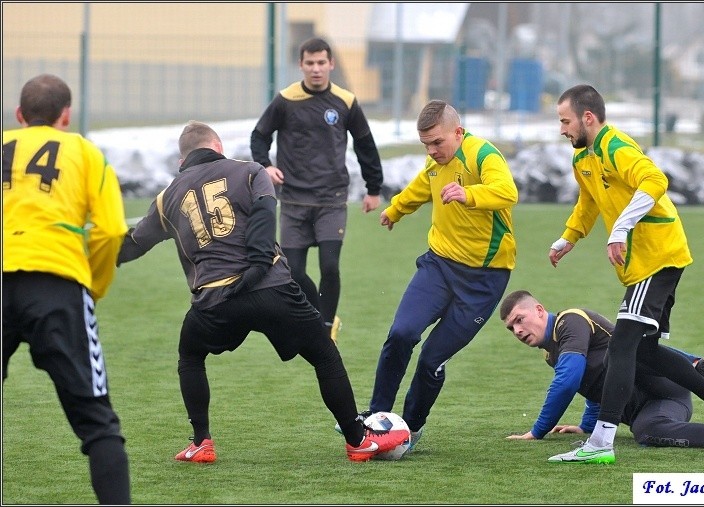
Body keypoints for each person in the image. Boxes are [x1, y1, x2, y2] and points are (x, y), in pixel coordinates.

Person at [116, 121, 406, 463]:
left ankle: (201, 443)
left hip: (214, 298)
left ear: (183, 160)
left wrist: (82, 252)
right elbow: (266, 215)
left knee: (190, 356)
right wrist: (255, 266)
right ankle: (358, 441)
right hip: (271, 285)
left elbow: (132, 245)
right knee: (323, 353)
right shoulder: (250, 171)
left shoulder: (167, 198)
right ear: (218, 146)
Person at [547, 84, 704, 464]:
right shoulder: (584, 159)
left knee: (622, 345)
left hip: (657, 255)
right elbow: (588, 202)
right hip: (646, 263)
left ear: (587, 118)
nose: (562, 129)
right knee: (643, 348)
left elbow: (656, 181)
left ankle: (601, 443)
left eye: (565, 121)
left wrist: (621, 227)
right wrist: (567, 238)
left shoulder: (615, 146)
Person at [359, 99, 518, 452]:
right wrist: (396, 209)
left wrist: (469, 193)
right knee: (401, 333)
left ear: (458, 133)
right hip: (439, 265)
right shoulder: (436, 161)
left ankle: (410, 430)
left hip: (484, 279)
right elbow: (423, 185)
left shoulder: (483, 155)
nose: (431, 152)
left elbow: (508, 191)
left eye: (437, 143)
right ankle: (375, 418)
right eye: (425, 145)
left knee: (432, 359)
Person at [2, 74, 131, 504]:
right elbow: (111, 231)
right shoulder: (85, 151)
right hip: (56, 284)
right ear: (66, 115)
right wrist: (90, 288)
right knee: (98, 423)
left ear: (19, 116)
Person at [499, 290, 704, 452]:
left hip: (662, 387)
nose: (518, 330)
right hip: (651, 409)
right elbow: (591, 387)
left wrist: (537, 431)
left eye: (520, 320)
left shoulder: (569, 321)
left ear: (539, 310)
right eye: (512, 328)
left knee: (618, 359)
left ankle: (693, 364)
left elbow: (569, 380)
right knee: (645, 432)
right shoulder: (551, 354)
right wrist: (586, 425)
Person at [250, 37, 384, 343]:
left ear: (331, 64)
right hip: (294, 201)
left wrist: (373, 187)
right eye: (309, 63)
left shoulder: (345, 102)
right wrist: (264, 166)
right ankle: (320, 315)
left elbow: (365, 145)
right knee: (292, 273)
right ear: (301, 65)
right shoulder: (285, 100)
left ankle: (324, 329)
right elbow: (259, 136)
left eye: (321, 62)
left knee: (330, 266)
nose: (316, 69)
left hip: (331, 199)